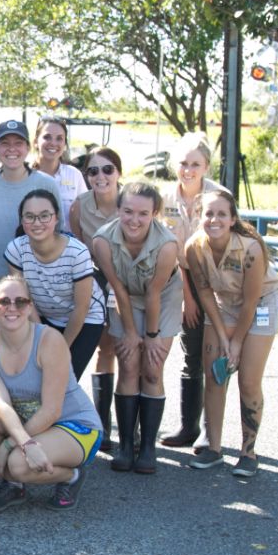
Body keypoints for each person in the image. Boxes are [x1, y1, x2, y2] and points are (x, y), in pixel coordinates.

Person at [0, 275, 102, 512]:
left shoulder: (49, 340)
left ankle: (70, 475)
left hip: (73, 425)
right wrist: (22, 442)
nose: (12, 307)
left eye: (20, 301)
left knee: (18, 463)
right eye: (3, 301)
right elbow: (1, 405)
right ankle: (14, 484)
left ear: (30, 306)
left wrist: (9, 446)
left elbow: (52, 410)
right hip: (31, 425)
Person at [185, 191, 278, 477]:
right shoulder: (194, 247)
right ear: (199, 218)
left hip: (260, 302)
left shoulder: (250, 248)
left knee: (249, 380)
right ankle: (213, 449)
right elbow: (204, 291)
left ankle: (248, 452)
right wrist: (222, 337)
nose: (214, 220)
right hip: (223, 303)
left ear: (233, 219)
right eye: (208, 214)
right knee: (216, 374)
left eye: (221, 214)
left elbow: (250, 302)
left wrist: (236, 342)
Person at [93, 182, 182, 474]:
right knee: (129, 364)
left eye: (143, 213)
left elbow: (155, 293)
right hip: (125, 297)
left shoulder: (167, 244)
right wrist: (131, 333)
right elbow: (117, 288)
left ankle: (148, 447)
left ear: (154, 214)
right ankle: (126, 444)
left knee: (152, 368)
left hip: (162, 296)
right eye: (128, 211)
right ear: (118, 210)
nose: (134, 219)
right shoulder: (103, 241)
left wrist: (152, 336)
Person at [159, 133, 229, 450]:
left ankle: (209, 432)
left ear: (207, 166)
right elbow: (170, 250)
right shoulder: (164, 198)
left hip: (215, 284)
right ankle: (189, 427)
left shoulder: (219, 196)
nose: (188, 170)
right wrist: (188, 295)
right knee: (191, 356)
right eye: (184, 163)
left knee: (213, 354)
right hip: (178, 281)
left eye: (195, 164)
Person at [4, 189, 106, 381]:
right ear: (22, 220)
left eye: (44, 216)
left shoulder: (77, 252)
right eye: (30, 217)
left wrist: (59, 348)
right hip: (44, 316)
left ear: (56, 218)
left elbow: (81, 308)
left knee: (63, 379)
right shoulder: (16, 250)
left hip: (85, 318)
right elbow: (25, 301)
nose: (37, 223)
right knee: (41, 377)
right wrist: (43, 341)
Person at [0, 120, 60, 337]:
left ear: (28, 147)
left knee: (30, 355)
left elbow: (57, 235)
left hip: (35, 288)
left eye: (18, 143)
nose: (12, 149)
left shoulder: (46, 184)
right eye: (5, 143)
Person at [69, 147, 123, 450]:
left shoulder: (130, 203)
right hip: (98, 281)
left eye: (107, 169)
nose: (100, 176)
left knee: (127, 352)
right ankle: (102, 428)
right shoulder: (79, 206)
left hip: (130, 281)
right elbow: (79, 249)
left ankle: (132, 430)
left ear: (118, 172)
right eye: (92, 171)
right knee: (104, 350)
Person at [30, 116, 87, 233]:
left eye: (59, 138)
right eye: (47, 137)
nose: (53, 143)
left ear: (65, 144)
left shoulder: (74, 175)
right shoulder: (24, 175)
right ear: (36, 142)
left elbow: (85, 214)